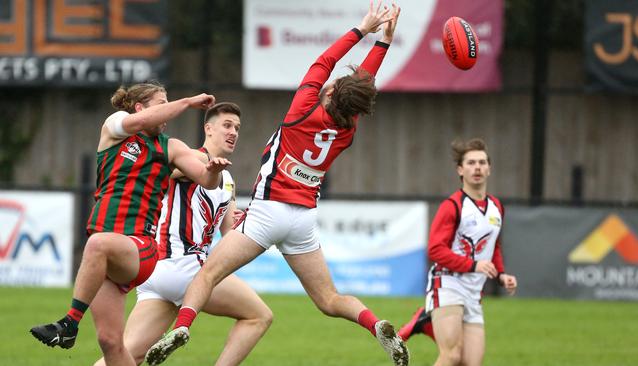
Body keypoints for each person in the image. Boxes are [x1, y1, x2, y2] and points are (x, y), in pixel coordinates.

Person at [145, 2, 409, 366]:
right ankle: (374, 322)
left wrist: (364, 31)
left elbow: (323, 62)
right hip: (303, 221)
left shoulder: (302, 112)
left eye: (330, 86)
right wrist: (384, 46)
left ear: (329, 95)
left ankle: (184, 326)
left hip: (269, 210)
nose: (326, 83)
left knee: (208, 273)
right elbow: (359, 90)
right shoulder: (347, 129)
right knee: (329, 300)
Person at [30, 82, 230, 366]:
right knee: (111, 343)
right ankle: (72, 328)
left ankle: (69, 325)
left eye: (168, 102)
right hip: (109, 255)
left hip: (142, 249)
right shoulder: (115, 128)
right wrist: (187, 102)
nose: (167, 108)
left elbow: (206, 181)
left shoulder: (171, 147)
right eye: (161, 103)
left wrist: (213, 171)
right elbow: (139, 123)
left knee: (97, 243)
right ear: (140, 108)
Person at [94, 102, 272, 366]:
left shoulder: (228, 178)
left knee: (130, 354)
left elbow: (229, 234)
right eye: (226, 125)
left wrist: (249, 223)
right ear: (208, 129)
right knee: (259, 316)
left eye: (237, 127)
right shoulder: (192, 158)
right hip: (185, 267)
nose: (233, 131)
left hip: (157, 273)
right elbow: (159, 172)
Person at [398, 138, 517, 366]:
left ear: (489, 168)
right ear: (460, 170)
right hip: (447, 283)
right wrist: (473, 265)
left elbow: (494, 246)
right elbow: (435, 250)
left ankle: (424, 321)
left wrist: (501, 275)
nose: (477, 167)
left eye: (482, 162)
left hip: (474, 291)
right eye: (471, 163)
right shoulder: (453, 206)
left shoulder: (496, 206)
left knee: (470, 362)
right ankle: (426, 318)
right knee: (451, 355)